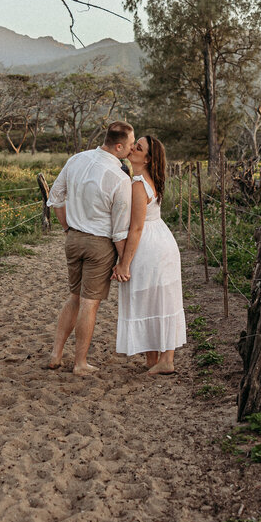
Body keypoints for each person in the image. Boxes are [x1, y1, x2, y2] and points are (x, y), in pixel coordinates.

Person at [45, 121, 135, 376]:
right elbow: (119, 231)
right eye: (129, 145)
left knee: (74, 297)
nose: (131, 149)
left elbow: (56, 197)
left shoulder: (76, 159)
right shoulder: (119, 178)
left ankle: (56, 354)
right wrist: (123, 261)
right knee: (89, 304)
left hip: (73, 239)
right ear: (118, 146)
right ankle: (80, 362)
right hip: (100, 244)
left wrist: (67, 229)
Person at [112, 135, 186, 375]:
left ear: (148, 158)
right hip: (160, 241)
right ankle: (153, 359)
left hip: (151, 245)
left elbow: (136, 227)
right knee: (153, 297)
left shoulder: (138, 184)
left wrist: (124, 263)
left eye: (138, 147)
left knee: (155, 298)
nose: (132, 148)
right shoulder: (144, 180)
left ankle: (166, 360)